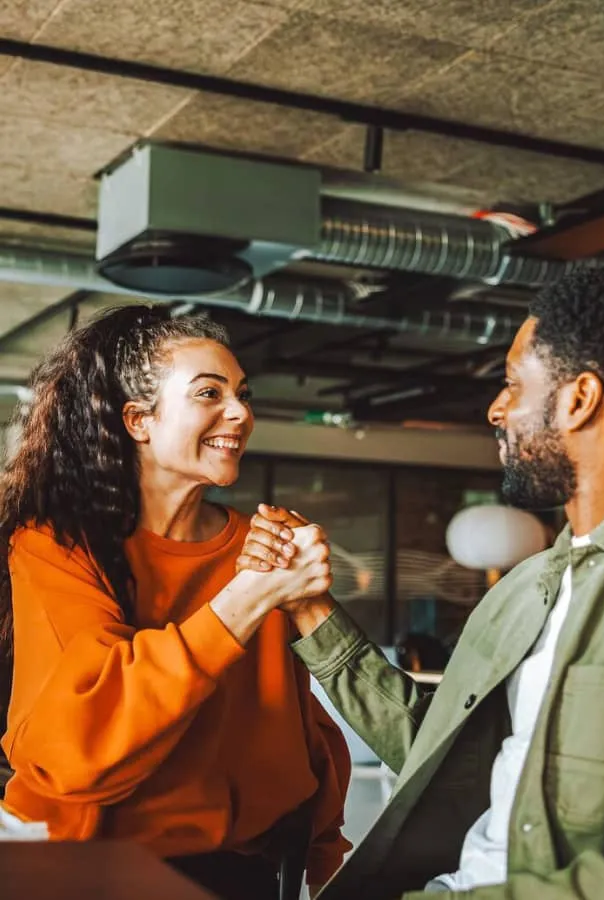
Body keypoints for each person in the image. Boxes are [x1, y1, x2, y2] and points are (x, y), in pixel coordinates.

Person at [239, 268, 604, 899]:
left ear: (579, 398)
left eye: (513, 384)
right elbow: (444, 763)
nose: (496, 408)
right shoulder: (530, 585)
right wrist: (310, 608)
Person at [0, 305, 350, 900]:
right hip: (86, 870)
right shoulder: (56, 545)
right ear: (138, 420)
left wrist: (326, 849)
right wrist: (248, 597)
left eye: (241, 393)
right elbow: (86, 740)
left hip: (242, 870)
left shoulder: (263, 543)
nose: (240, 412)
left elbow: (294, 715)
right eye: (209, 393)